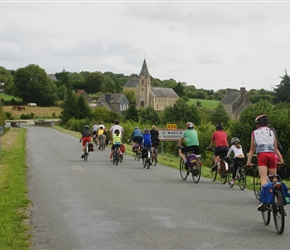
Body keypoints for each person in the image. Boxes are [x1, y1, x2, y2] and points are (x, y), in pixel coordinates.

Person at [246, 115, 284, 211]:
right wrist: (281, 161)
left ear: (258, 124)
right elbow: (275, 149)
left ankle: (264, 201)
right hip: (272, 155)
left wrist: (248, 162)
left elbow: (251, 149)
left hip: (262, 156)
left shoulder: (254, 133)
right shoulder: (271, 132)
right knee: (274, 178)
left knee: (263, 177)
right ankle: (279, 201)